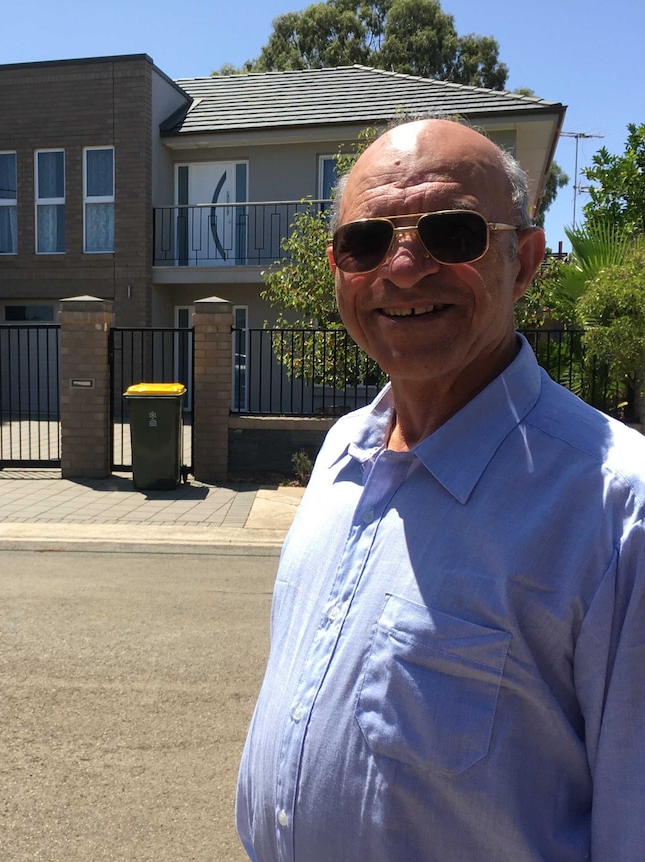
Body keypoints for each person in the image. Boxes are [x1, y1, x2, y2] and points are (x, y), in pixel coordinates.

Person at [235, 118, 645, 862]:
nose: (400, 267)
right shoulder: (340, 455)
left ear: (522, 262)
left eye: (450, 234)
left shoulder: (618, 511)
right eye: (366, 242)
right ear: (337, 267)